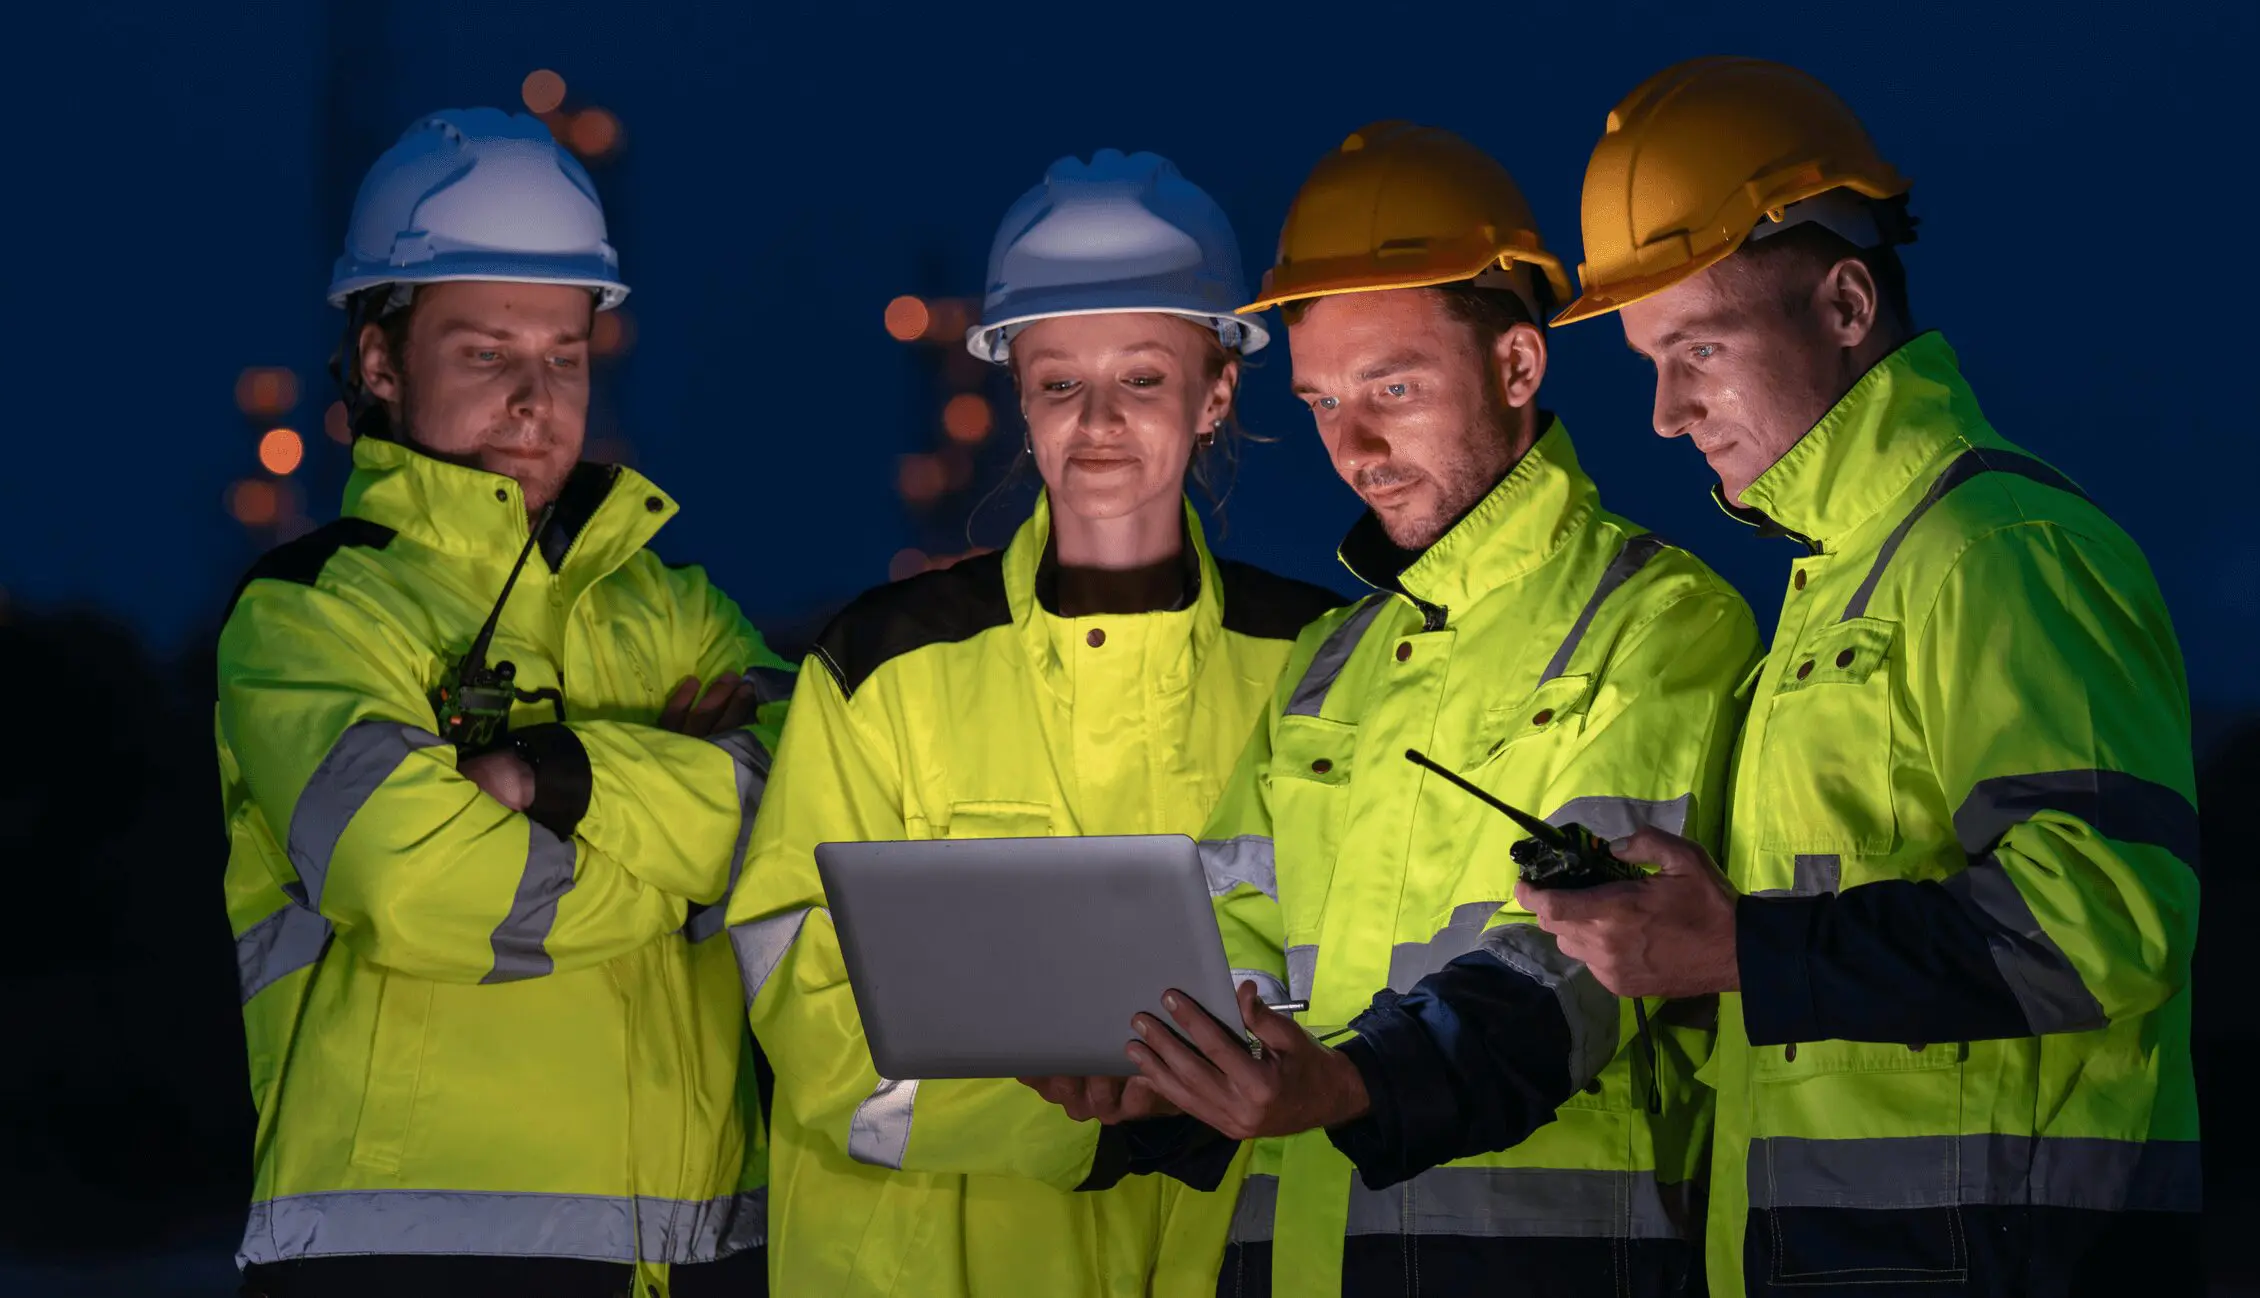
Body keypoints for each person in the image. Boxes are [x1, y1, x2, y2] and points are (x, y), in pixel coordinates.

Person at [1030, 122, 1763, 1297]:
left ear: (1518, 367)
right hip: (1301, 1259)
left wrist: (1355, 1080)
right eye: (1322, 401)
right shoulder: (1333, 662)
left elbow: (1599, 954)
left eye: (1393, 388)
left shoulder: (1661, 620)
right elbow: (1231, 931)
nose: (1353, 445)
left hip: (1554, 1262)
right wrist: (1157, 1062)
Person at [1526, 57, 2202, 1298]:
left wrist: (1738, 947)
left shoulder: (1997, 549)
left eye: (1700, 347)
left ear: (1844, 305)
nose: (1667, 412)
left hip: (2005, 1262)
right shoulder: (1832, 583)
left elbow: (2105, 915)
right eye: (1646, 364)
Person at [723, 149, 1346, 1296]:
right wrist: (1097, 1126)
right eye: (1060, 381)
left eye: (1144, 378)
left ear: (1218, 391)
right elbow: (802, 992)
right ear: (1018, 394)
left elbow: (1361, 954)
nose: (1097, 420)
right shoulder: (881, 664)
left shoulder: (1321, 663)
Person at [218, 109, 786, 1298]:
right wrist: (682, 857)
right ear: (380, 360)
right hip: (407, 1255)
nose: (534, 397)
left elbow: (799, 821)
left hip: (690, 1250)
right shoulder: (310, 615)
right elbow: (424, 887)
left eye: (564, 355)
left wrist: (556, 781)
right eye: (485, 353)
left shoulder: (679, 603)